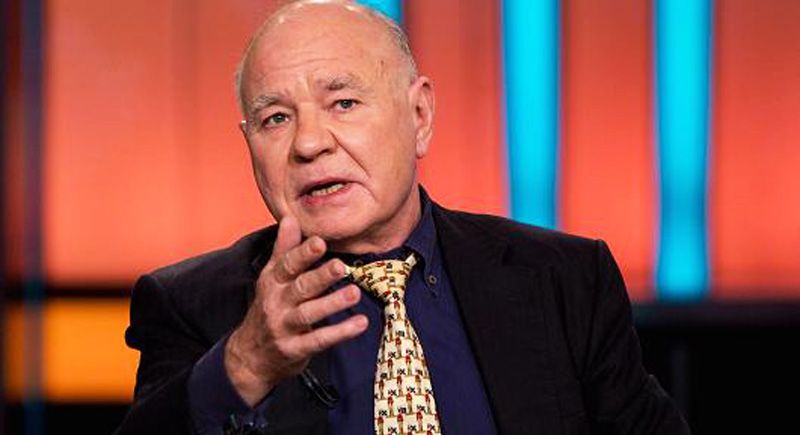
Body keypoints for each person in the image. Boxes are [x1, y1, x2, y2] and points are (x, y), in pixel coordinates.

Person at [117, 1, 689, 434]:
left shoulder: (564, 279)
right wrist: (245, 366)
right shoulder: (189, 305)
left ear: (419, 115)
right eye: (276, 119)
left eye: (344, 103)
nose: (309, 143)